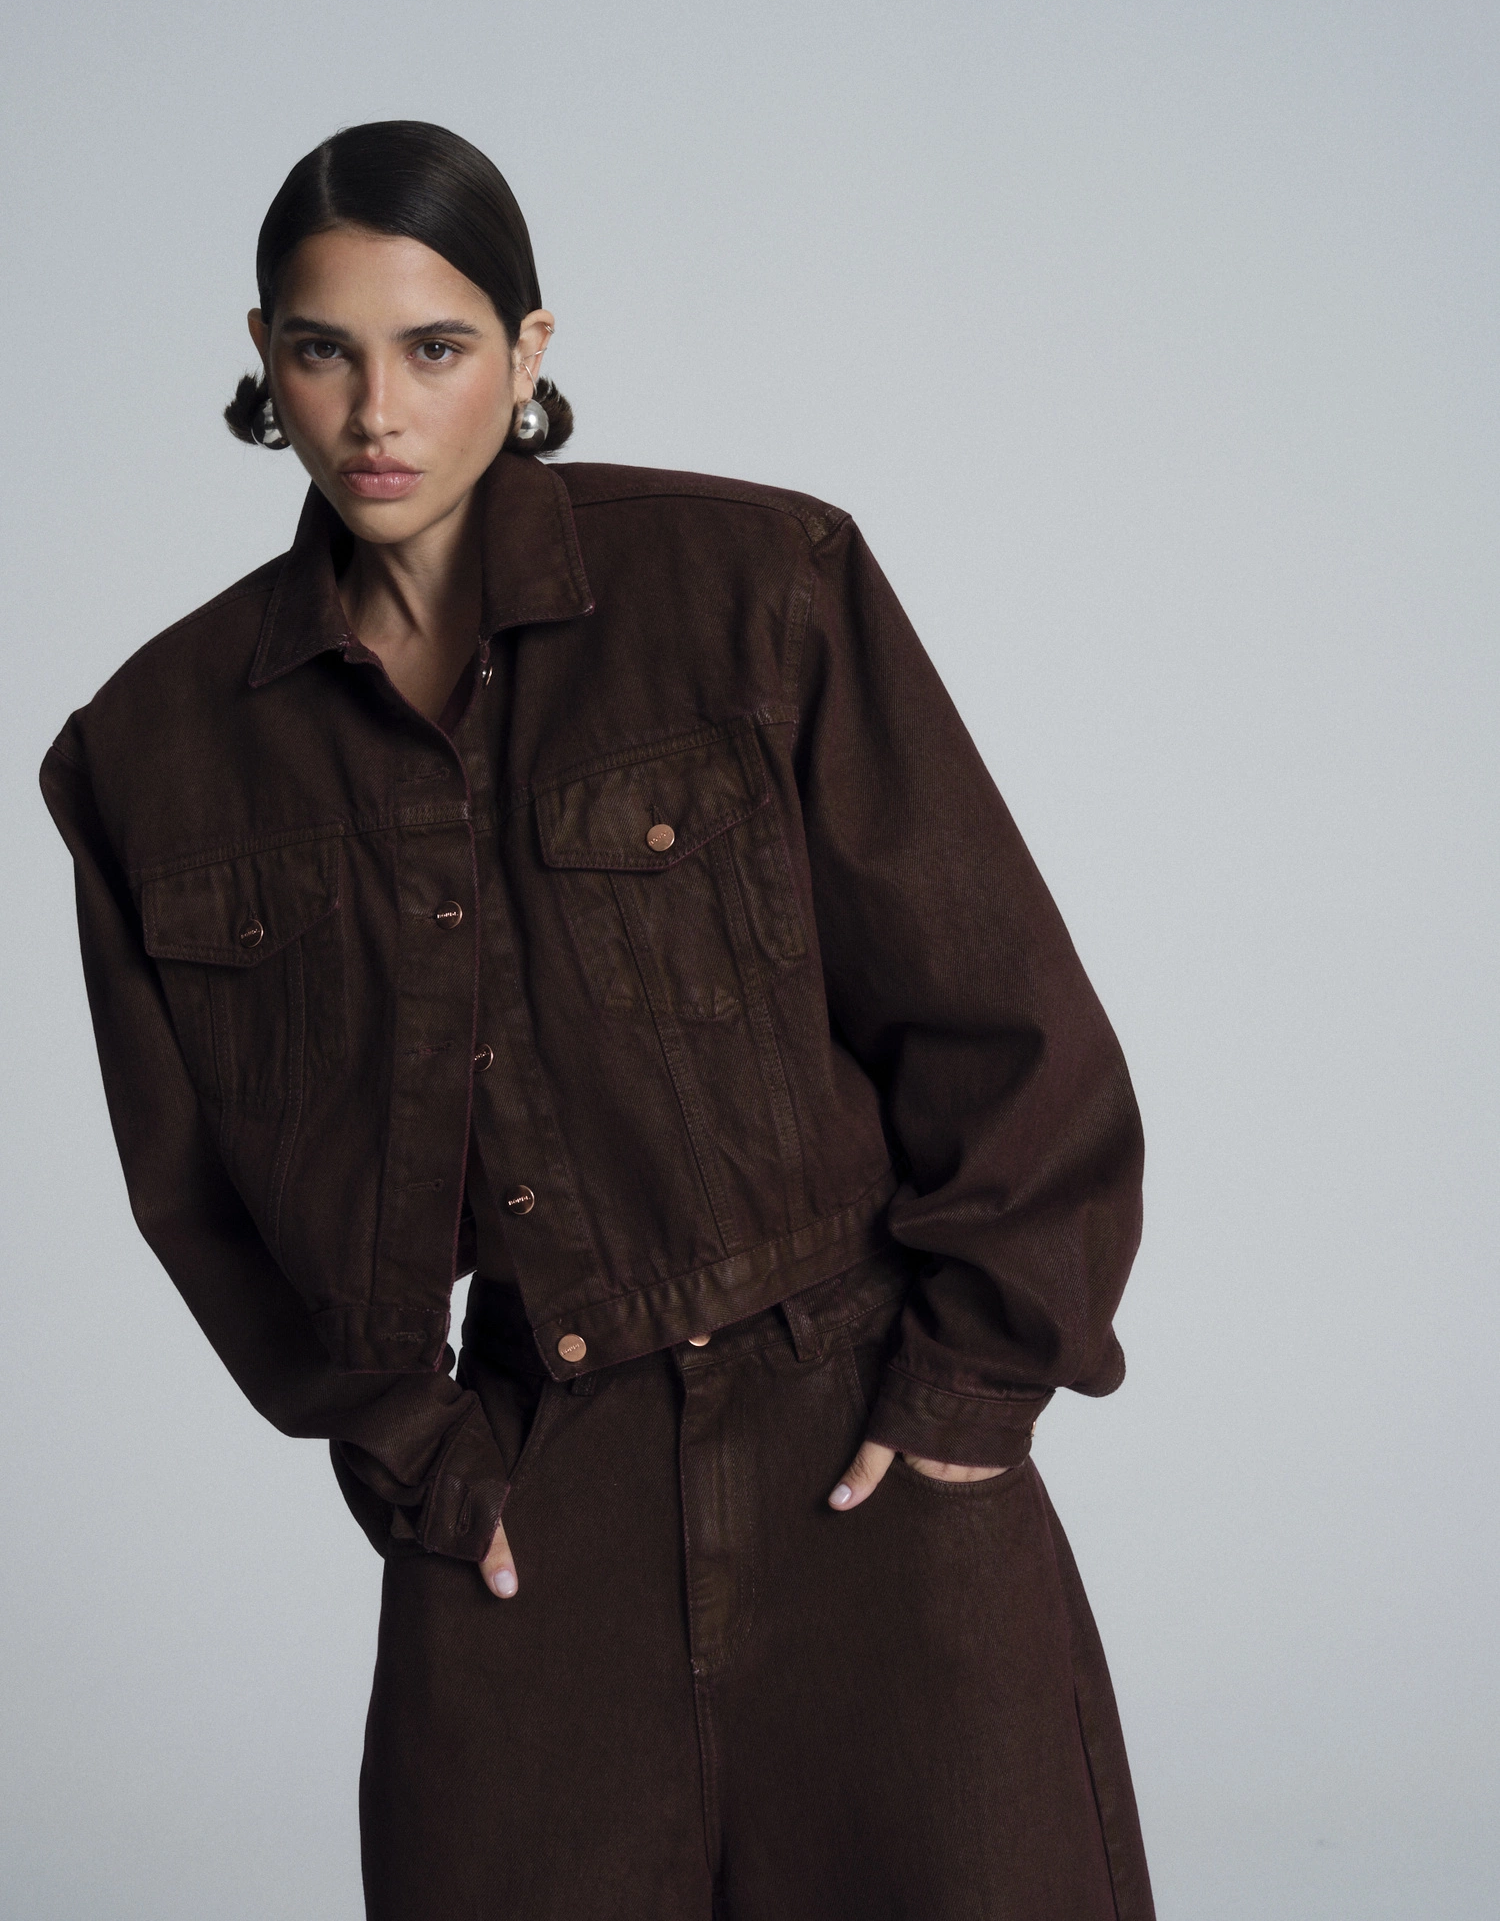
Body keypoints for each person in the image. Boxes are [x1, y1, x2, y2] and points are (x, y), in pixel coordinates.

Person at [40, 119, 1155, 1920]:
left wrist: (969, 1388)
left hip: (862, 1459)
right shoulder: (155, 753)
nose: (377, 411)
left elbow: (1001, 1012)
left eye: (435, 347)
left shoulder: (754, 588)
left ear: (528, 350)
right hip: (527, 1495)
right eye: (323, 351)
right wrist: (411, 1447)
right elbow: (198, 1195)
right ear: (263, 361)